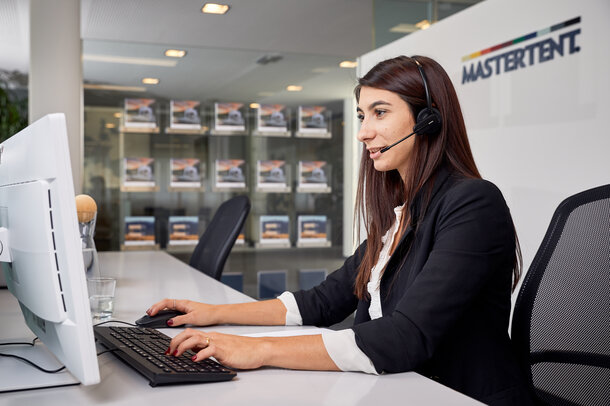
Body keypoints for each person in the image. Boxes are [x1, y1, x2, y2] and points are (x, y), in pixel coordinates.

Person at [146, 55, 533, 405]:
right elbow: (322, 301)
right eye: (363, 116)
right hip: (400, 389)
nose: (364, 132)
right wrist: (214, 314)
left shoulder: (473, 204)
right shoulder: (401, 214)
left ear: (428, 119)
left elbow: (406, 337)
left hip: (459, 395)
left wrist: (256, 349)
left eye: (380, 112)